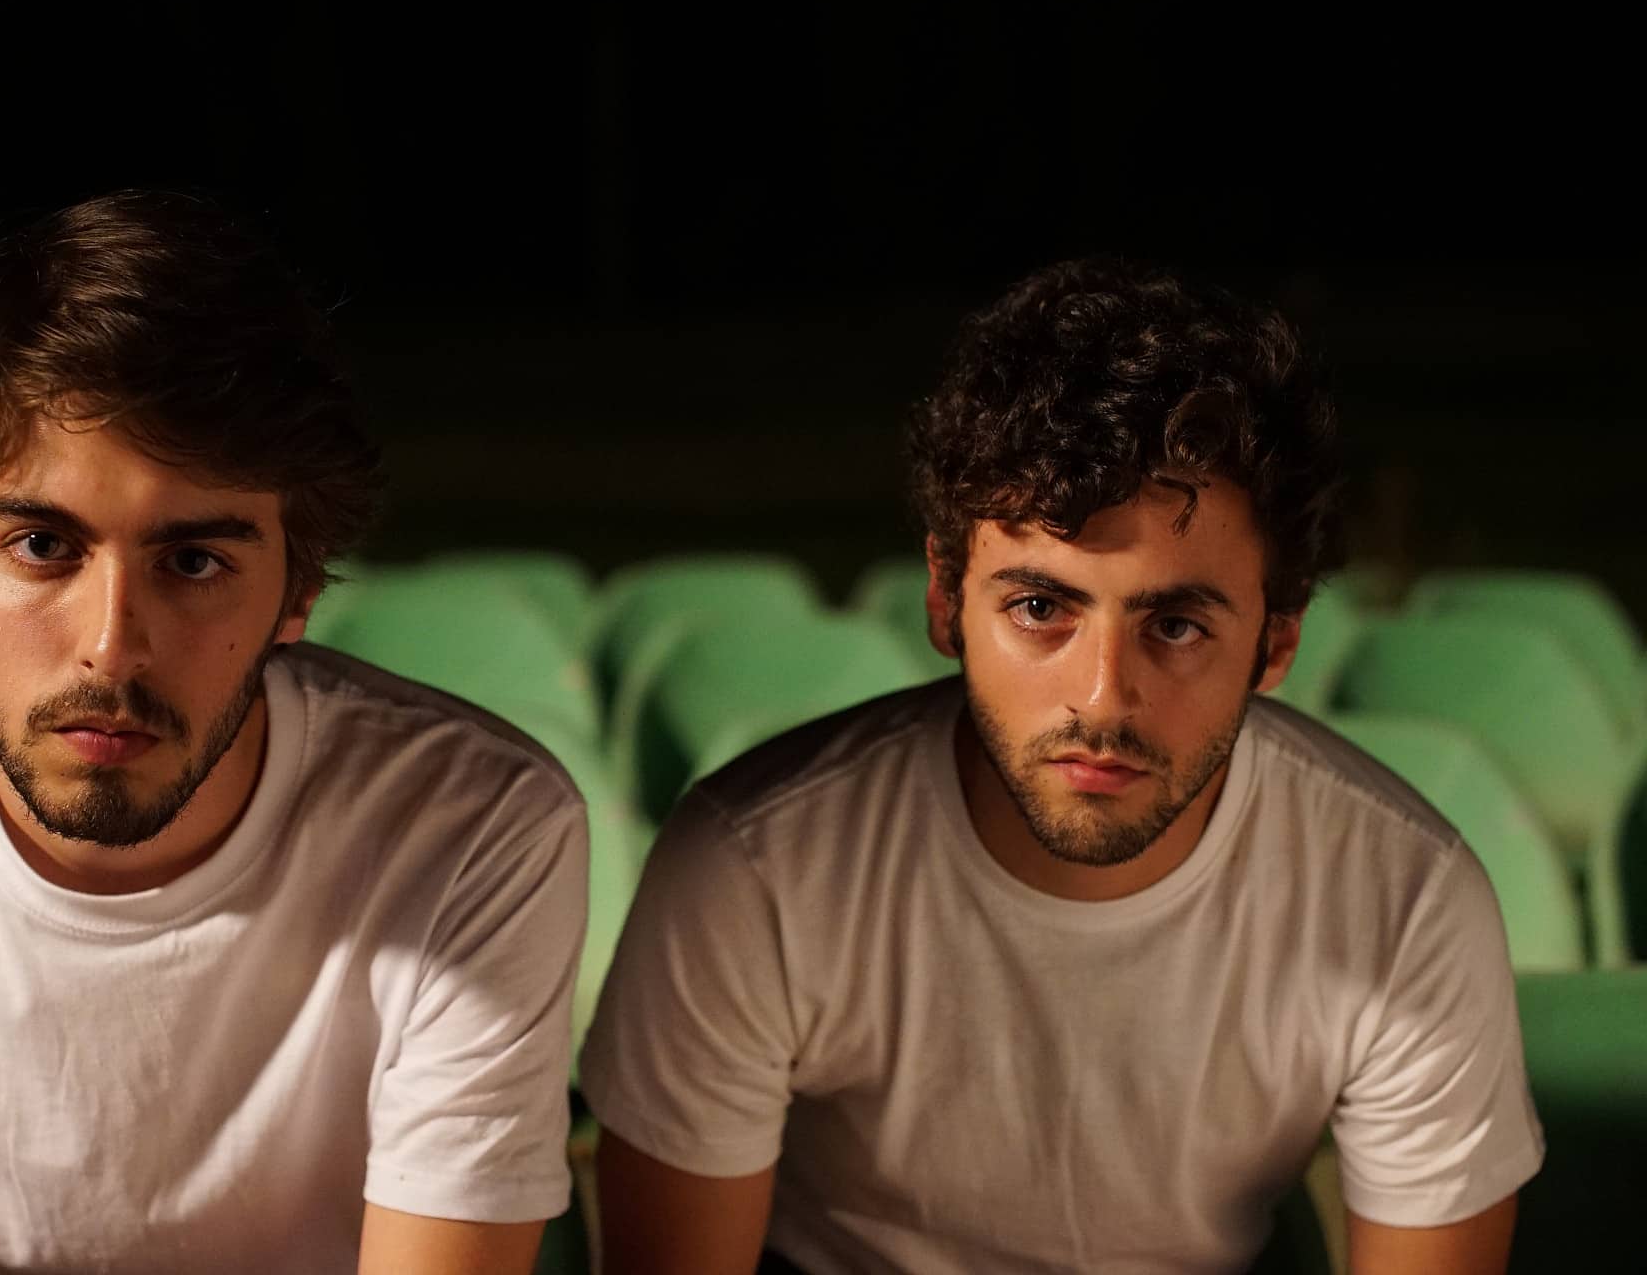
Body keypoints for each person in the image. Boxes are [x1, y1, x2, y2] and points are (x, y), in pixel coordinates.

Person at [0, 191, 588, 1274]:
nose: (111, 648)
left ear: (298, 590)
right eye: (43, 547)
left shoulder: (471, 831)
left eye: (192, 562)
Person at [580, 260, 1542, 1274]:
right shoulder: (753, 868)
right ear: (945, 600)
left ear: (1276, 642)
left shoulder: (1403, 895)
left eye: (1176, 625)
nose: (1101, 697)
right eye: (1040, 608)